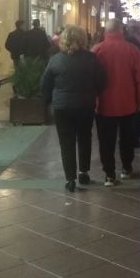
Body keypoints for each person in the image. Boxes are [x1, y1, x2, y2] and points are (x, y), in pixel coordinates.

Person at [41, 25, 106, 192]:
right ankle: (83, 172)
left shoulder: (55, 59)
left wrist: (49, 101)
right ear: (83, 40)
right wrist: (94, 93)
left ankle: (70, 178)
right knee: (85, 138)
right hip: (85, 105)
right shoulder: (91, 59)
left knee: (66, 142)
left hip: (62, 107)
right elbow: (101, 81)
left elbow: (45, 84)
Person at [93, 18, 140, 186]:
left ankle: (109, 174)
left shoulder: (97, 50)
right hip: (128, 103)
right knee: (127, 137)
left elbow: (90, 78)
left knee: (105, 140)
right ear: (122, 31)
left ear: (106, 32)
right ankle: (126, 167)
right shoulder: (133, 50)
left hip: (103, 104)